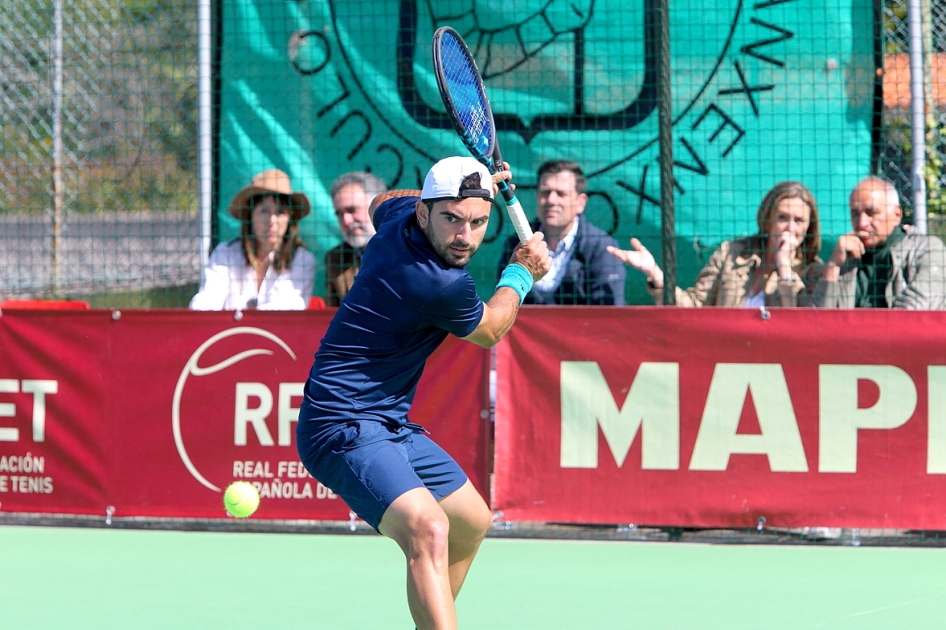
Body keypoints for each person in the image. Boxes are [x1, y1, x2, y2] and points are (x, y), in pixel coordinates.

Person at [295, 157, 551, 630]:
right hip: (340, 425)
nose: (465, 236)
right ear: (425, 215)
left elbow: (381, 201)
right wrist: (521, 273)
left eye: (477, 221)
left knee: (472, 520)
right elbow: (492, 329)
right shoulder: (439, 282)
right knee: (429, 528)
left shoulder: (399, 217)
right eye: (452, 219)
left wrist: (461, 186)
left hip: (387, 422)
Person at [609, 181, 823, 307]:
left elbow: (802, 321)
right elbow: (695, 306)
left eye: (799, 221)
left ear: (808, 227)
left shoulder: (813, 271)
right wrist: (656, 275)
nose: (790, 228)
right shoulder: (731, 254)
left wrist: (784, 265)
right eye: (783, 218)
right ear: (767, 220)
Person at [496, 159, 626, 304]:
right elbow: (504, 302)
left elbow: (609, 312)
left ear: (580, 202)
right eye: (545, 192)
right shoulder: (516, 244)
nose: (551, 200)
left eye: (561, 194)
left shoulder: (602, 247)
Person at [812, 176, 946, 309]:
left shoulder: (927, 250)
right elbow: (815, 322)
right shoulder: (847, 261)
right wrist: (833, 267)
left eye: (872, 213)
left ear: (896, 215)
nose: (862, 223)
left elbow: (915, 314)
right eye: (855, 214)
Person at [190, 169, 315, 311]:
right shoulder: (224, 254)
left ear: (289, 219)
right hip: (230, 333)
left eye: (280, 212)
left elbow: (287, 310)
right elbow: (206, 301)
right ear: (250, 216)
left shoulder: (302, 260)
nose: (272, 220)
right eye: (264, 211)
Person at [325, 171, 387, 306]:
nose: (346, 221)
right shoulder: (336, 260)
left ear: (378, 207)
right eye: (339, 214)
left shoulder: (410, 250)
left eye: (352, 210)